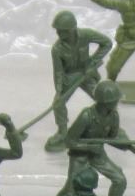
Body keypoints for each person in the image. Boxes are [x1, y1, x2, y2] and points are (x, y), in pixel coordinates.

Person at [46, 9, 111, 141]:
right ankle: (62, 132)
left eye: (62, 31)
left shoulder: (86, 35)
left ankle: (110, 124)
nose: (58, 33)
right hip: (69, 77)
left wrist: (92, 63)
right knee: (58, 104)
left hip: (87, 73)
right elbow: (58, 72)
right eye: (57, 30)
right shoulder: (57, 49)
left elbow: (107, 43)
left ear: (72, 29)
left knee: (102, 98)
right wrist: (59, 91)